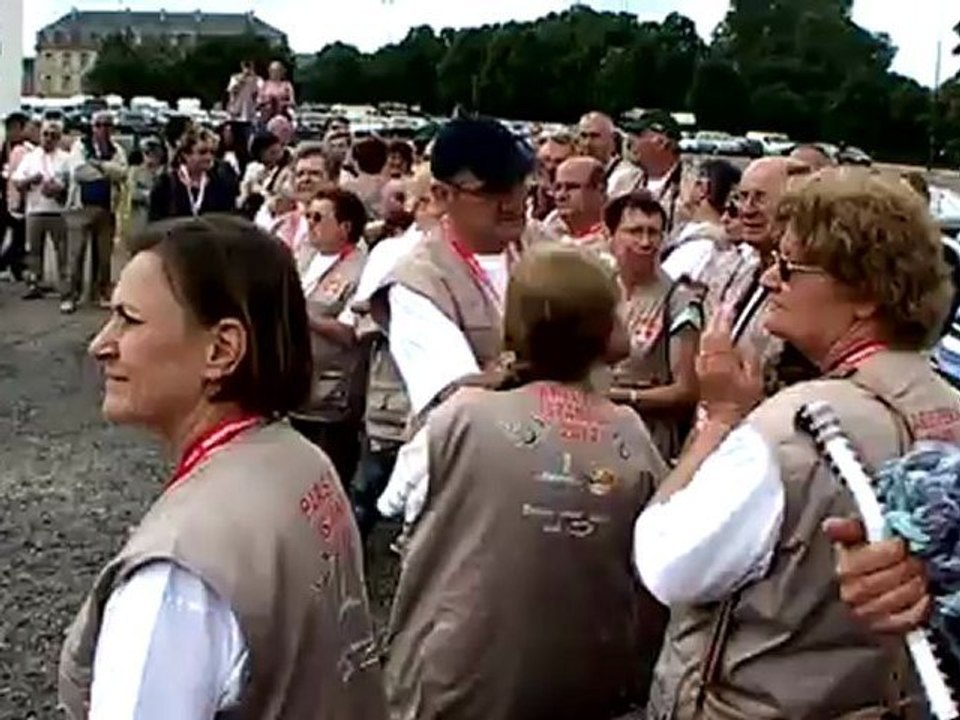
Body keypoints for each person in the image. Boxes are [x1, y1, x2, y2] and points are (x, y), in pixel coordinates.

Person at [633, 170, 960, 719]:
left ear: (862, 295)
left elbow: (666, 562)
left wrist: (720, 420)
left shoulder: (787, 428)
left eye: (790, 267)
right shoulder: (947, 401)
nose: (768, 280)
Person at [58, 214, 386, 719]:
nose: (101, 344)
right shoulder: (299, 457)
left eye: (129, 318)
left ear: (221, 349)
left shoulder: (177, 578)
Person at [381, 245, 667, 720]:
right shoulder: (628, 432)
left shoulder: (462, 415)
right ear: (602, 331)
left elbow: (397, 505)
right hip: (581, 682)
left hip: (455, 679)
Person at [370, 117, 535, 426]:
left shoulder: (547, 247)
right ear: (442, 195)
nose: (513, 202)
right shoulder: (417, 281)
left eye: (519, 183)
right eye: (492, 191)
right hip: (468, 457)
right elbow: (457, 394)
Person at [344, 171, 444, 541]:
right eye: (430, 197)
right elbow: (360, 316)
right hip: (394, 386)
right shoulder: (392, 251)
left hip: (448, 400)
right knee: (370, 484)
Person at [606, 190, 702, 462]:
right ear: (611, 236)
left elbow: (686, 391)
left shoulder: (680, 300)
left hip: (647, 437)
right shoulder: (598, 288)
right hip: (597, 428)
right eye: (635, 231)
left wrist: (625, 396)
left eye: (654, 233)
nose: (646, 242)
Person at [290, 189, 369, 486]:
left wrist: (301, 315)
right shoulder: (305, 254)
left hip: (332, 394)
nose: (310, 223)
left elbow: (351, 334)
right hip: (298, 384)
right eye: (308, 216)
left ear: (345, 227)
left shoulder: (361, 270)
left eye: (318, 218)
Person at [66, 110, 128, 308]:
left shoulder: (117, 149)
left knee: (103, 256)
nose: (103, 129)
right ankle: (70, 296)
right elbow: (79, 172)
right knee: (76, 254)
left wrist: (100, 165)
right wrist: (108, 173)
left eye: (107, 125)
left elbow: (123, 172)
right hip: (81, 206)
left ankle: (99, 292)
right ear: (92, 127)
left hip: (107, 207)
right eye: (99, 125)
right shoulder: (80, 146)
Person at [13, 119, 71, 308]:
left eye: (53, 135)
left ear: (59, 138)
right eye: (45, 134)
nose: (49, 139)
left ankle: (65, 288)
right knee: (34, 251)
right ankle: (34, 283)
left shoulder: (65, 158)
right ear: (40, 136)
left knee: (62, 251)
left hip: (58, 211)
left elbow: (72, 185)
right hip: (35, 209)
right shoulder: (31, 157)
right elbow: (17, 181)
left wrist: (58, 188)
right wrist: (31, 179)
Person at [661, 159, 741, 284]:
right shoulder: (691, 235)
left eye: (684, 181)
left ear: (702, 188)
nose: (677, 189)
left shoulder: (703, 247)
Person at [148, 129, 239, 222]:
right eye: (202, 152)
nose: (209, 157)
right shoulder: (165, 184)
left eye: (212, 152)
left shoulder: (221, 185)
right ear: (185, 155)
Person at [547, 155, 613, 267]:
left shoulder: (615, 241)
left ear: (600, 191)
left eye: (572, 187)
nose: (561, 196)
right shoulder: (547, 231)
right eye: (557, 188)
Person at [0, 111, 32, 281]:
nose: (11, 132)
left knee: (20, 237)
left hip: (20, 199)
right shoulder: (4, 147)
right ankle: (9, 263)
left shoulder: (26, 149)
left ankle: (13, 264)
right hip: (4, 199)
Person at [226, 60, 261, 124]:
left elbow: (258, 93)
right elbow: (232, 92)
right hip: (236, 112)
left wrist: (253, 78)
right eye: (245, 65)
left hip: (251, 113)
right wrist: (242, 80)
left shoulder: (258, 80)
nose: (247, 68)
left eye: (249, 66)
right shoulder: (235, 78)